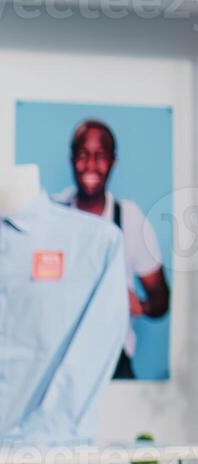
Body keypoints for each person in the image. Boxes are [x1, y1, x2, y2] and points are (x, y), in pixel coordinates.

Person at [53, 118, 170, 379]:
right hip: (59, 362)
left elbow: (161, 300)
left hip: (113, 362)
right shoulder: (52, 213)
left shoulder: (129, 218)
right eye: (82, 155)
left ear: (113, 161)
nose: (91, 165)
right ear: (72, 159)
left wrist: (143, 305)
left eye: (100, 156)